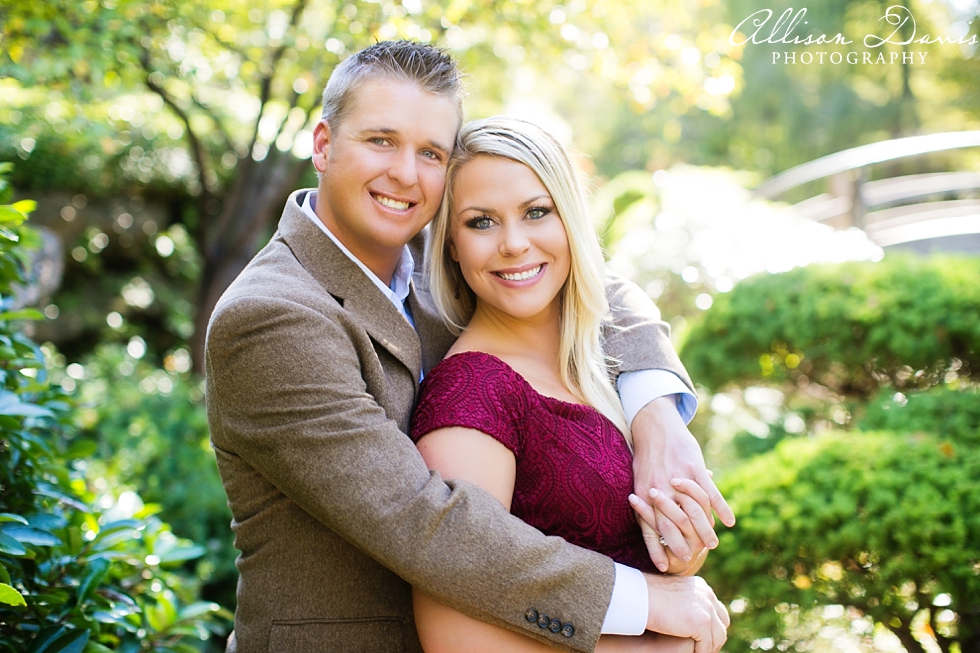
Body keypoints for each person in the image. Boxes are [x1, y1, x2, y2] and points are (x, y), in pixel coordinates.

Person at [205, 40, 731, 653]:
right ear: (323, 145)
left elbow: (592, 283)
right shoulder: (271, 317)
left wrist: (656, 416)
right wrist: (644, 605)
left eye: (430, 152)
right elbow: (422, 518)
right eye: (381, 140)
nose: (406, 174)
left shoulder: (439, 255)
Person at [409, 117, 717, 653]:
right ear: (452, 245)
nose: (514, 244)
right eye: (481, 222)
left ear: (570, 219)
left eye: (536, 212)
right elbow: (455, 638)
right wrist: (655, 648)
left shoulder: (603, 362)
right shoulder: (471, 393)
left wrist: (678, 551)